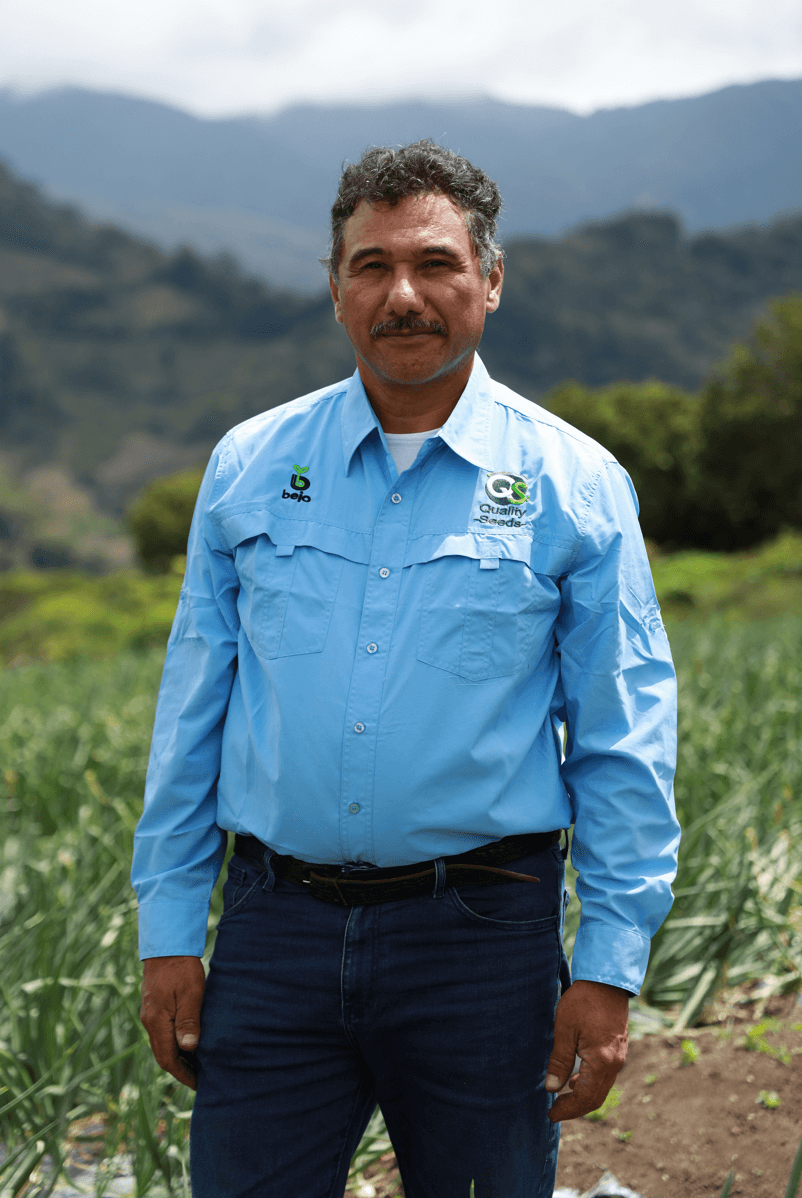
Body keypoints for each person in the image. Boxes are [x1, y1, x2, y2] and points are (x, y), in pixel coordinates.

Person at [132, 140, 679, 1198]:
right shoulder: (250, 465)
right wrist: (168, 932)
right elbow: (192, 707)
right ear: (335, 286)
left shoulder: (574, 481)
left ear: (491, 279)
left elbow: (623, 736)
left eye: (435, 264)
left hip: (482, 937)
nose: (403, 295)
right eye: (372, 266)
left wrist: (610, 965)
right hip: (274, 926)